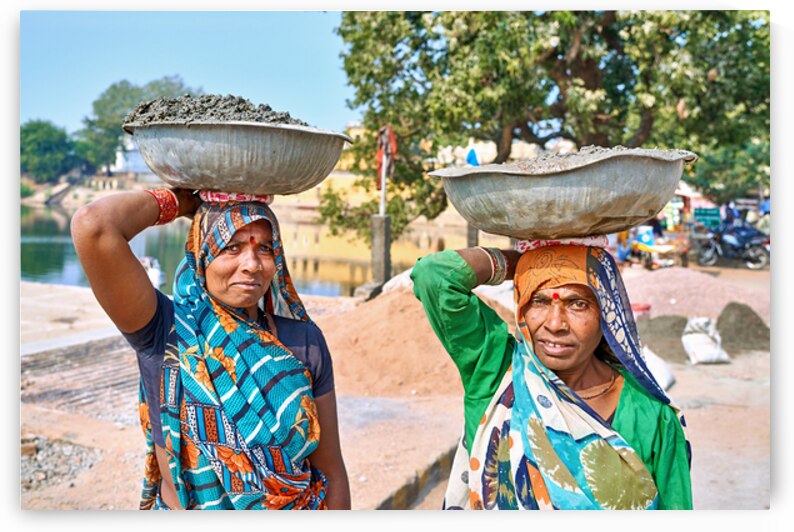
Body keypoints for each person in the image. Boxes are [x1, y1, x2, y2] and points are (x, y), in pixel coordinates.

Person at [71, 188, 350, 510]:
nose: (252, 265)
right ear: (200, 254)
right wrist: (185, 202)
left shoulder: (305, 342)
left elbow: (331, 471)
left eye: (265, 249)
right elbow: (93, 225)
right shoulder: (164, 330)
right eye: (231, 248)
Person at [410, 239, 692, 510]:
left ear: (605, 314)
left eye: (577, 304)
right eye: (539, 300)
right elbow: (434, 275)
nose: (555, 324)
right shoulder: (498, 374)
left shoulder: (651, 415)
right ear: (521, 308)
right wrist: (523, 263)